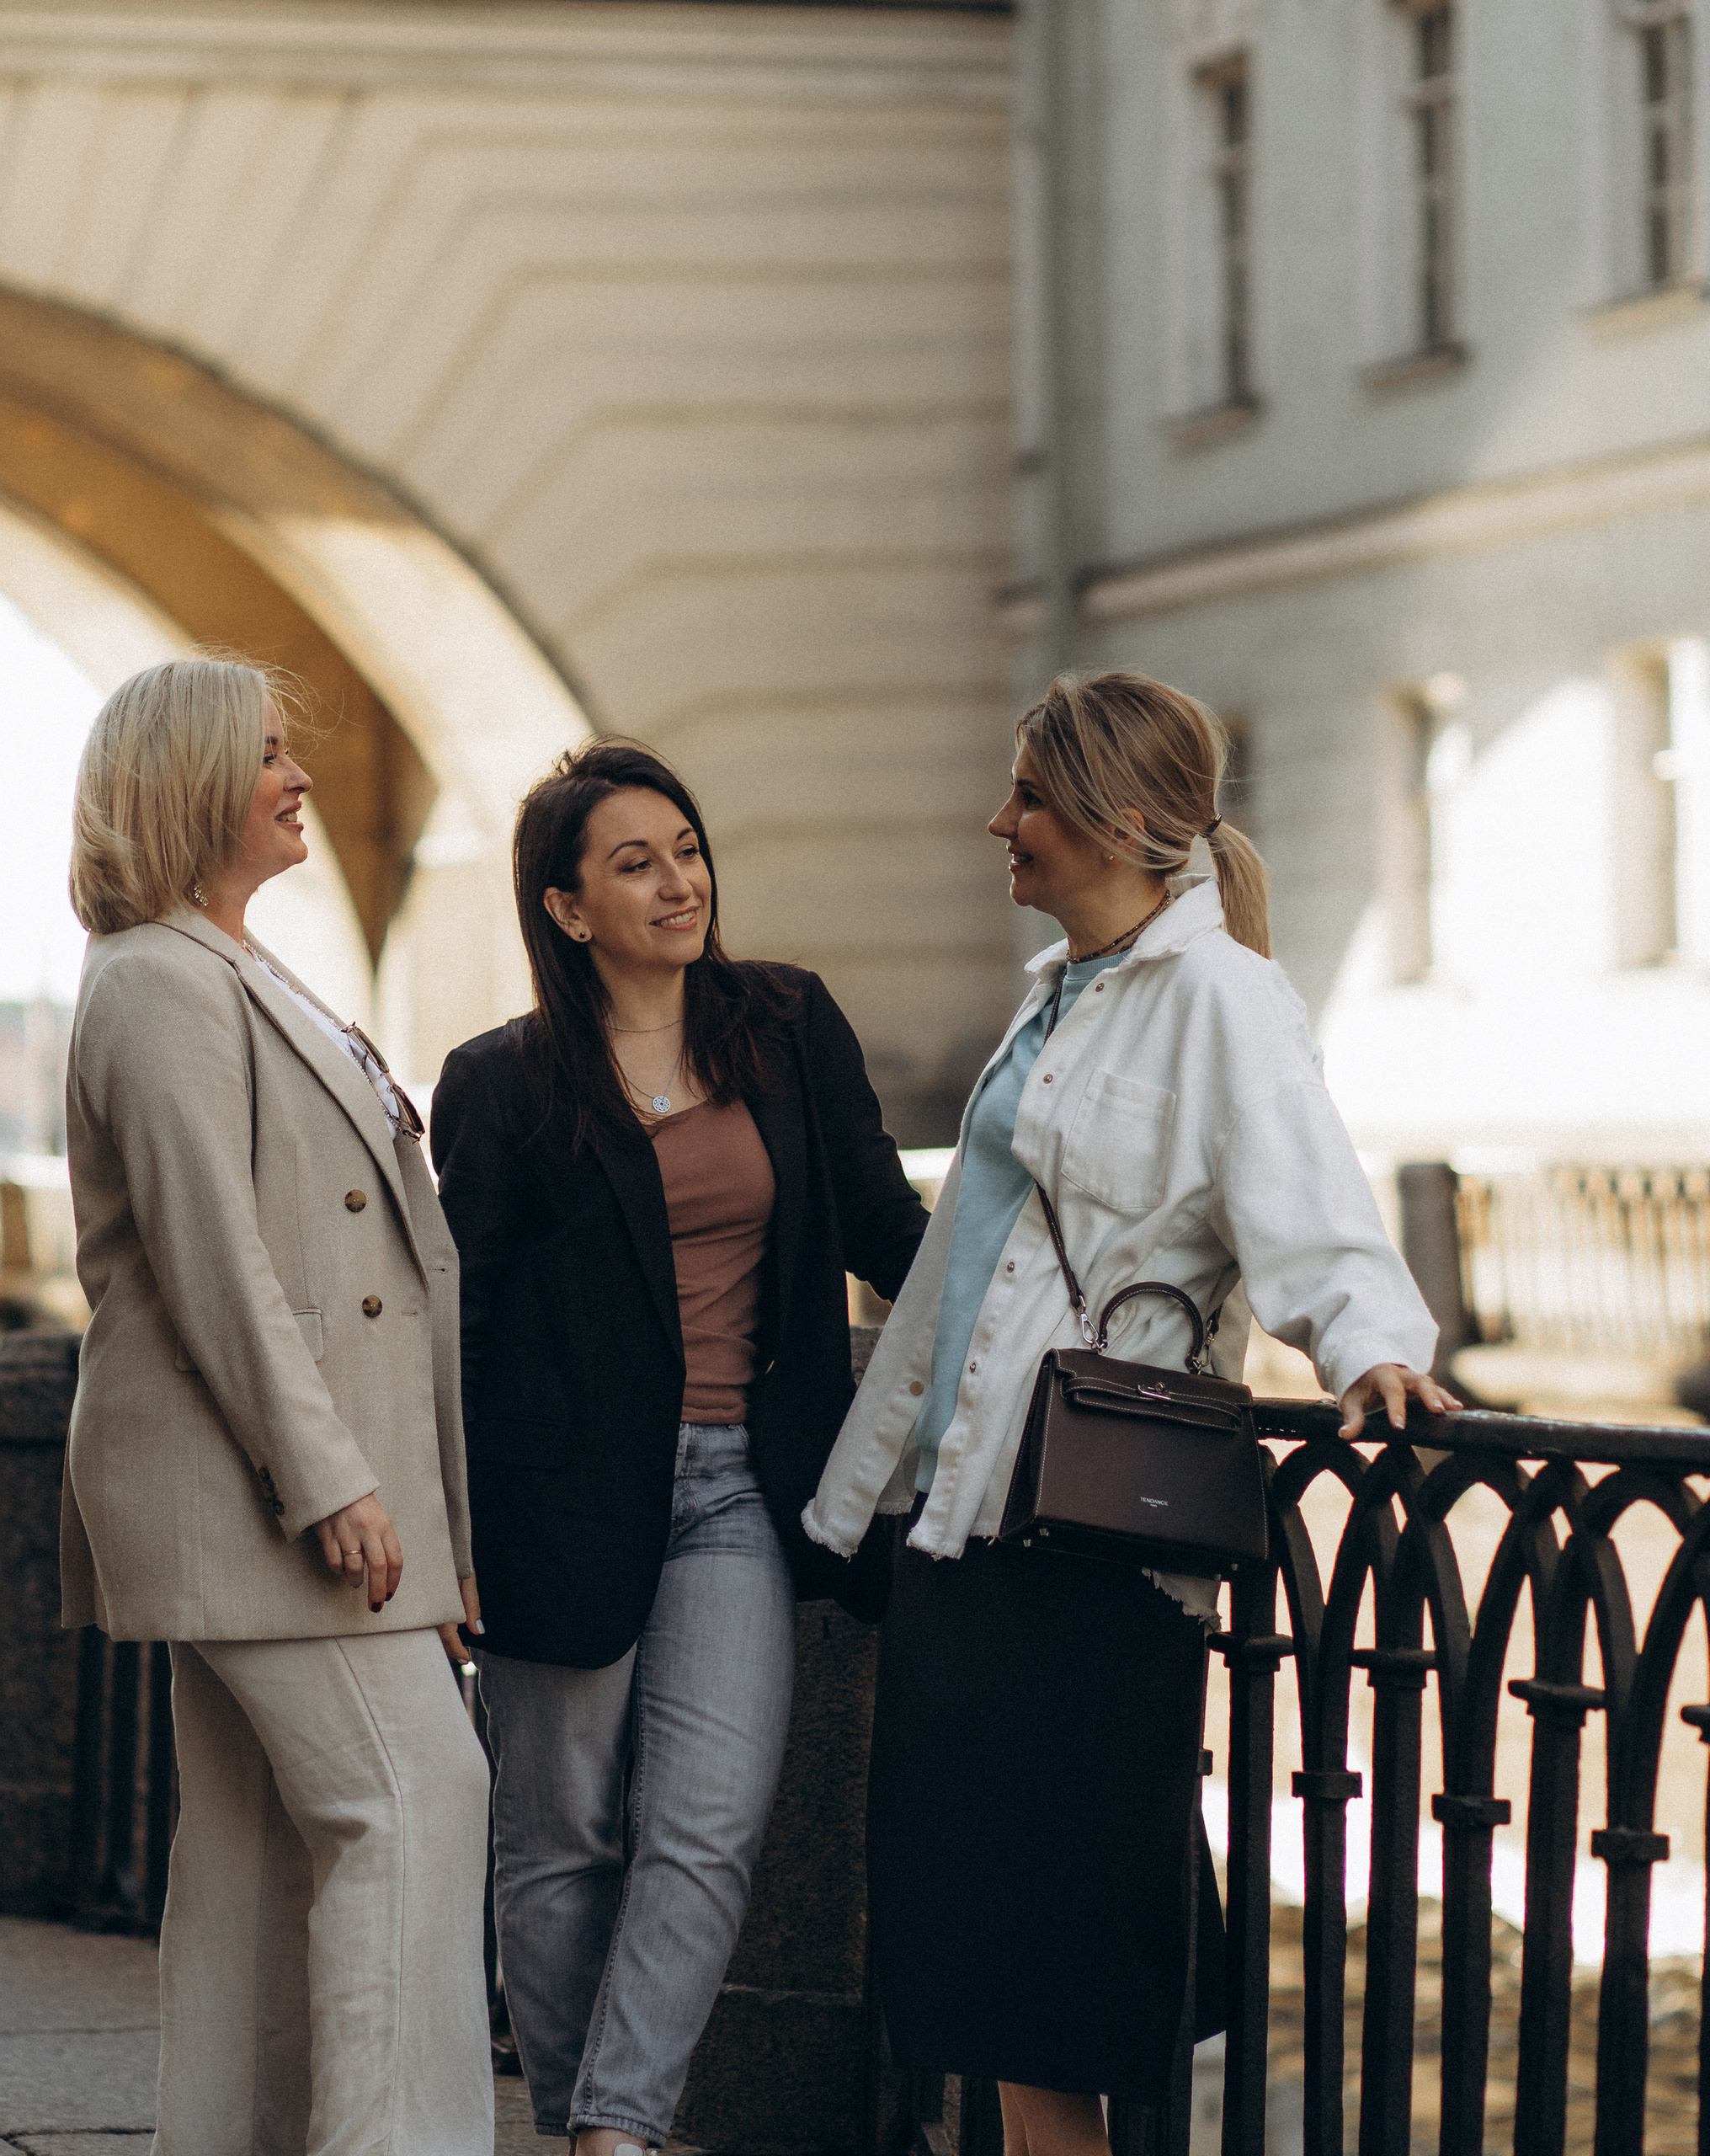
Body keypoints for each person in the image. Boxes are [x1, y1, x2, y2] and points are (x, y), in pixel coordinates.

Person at [804, 670, 1457, 2152]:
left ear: (1121, 818)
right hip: (966, 1519)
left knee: (1050, 1965)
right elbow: (963, 1272)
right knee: (981, 1954)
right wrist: (864, 1495)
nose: (1000, 824)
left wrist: (1372, 1344)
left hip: (1085, 1537)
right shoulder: (1061, 998)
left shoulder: (1224, 998)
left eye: (1028, 796)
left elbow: (1309, 1194)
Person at [430, 738, 928, 2156]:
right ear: (567, 908)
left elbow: (889, 1228)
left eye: (689, 850)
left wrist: (1046, 1329)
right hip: (553, 1503)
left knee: (708, 1831)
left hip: (738, 1494)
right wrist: (451, 1533)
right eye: (635, 864)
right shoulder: (508, 1083)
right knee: (563, 1839)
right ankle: (591, 2123)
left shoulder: (783, 1023)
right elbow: (454, 1326)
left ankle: (614, 2136)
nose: (678, 883)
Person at [58, 655, 491, 2156]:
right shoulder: (162, 980)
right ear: (189, 782)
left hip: (268, 1489)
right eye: (266, 754)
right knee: (419, 1804)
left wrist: (421, 1519)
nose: (298, 774)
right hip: (260, 1491)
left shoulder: (216, 962)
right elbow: (218, 1264)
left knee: (252, 1864)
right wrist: (333, 1484)